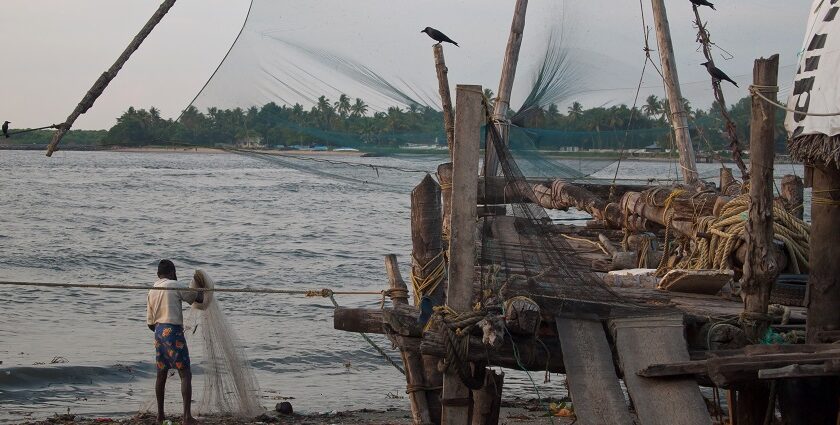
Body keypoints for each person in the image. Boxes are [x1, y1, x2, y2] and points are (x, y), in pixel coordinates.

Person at [146, 259, 204, 425]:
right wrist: (201, 285)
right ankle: (187, 417)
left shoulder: (152, 290)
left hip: (158, 332)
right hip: (173, 331)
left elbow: (150, 323)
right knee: (185, 373)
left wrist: (161, 333)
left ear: (158, 274)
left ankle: (160, 416)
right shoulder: (174, 284)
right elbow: (197, 298)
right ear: (172, 272)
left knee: (161, 374)